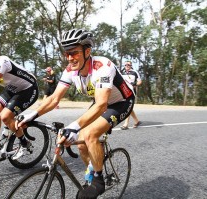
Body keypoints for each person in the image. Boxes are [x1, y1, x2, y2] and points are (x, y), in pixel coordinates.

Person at [16, 29, 135, 199]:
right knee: (81, 144)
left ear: (87, 51)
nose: (70, 58)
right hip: (102, 101)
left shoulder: (102, 66)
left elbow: (101, 105)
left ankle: (99, 180)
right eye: (67, 53)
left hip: (122, 102)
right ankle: (92, 174)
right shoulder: (70, 70)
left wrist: (73, 127)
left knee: (89, 134)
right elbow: (54, 98)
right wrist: (32, 114)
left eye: (74, 53)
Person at [120, 60, 142, 130]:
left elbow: (139, 81)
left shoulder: (134, 72)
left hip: (131, 92)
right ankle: (137, 121)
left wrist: (135, 84)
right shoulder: (121, 72)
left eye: (128, 65)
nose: (127, 66)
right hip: (124, 92)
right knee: (130, 107)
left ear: (131, 65)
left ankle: (126, 124)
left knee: (127, 107)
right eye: (126, 64)